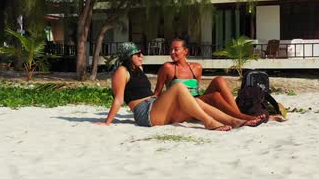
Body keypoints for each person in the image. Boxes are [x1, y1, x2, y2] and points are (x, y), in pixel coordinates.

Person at [95, 42, 254, 131]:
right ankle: (208, 121)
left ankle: (234, 121)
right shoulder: (121, 72)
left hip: (155, 107)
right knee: (178, 88)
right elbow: (118, 99)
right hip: (145, 113)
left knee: (197, 101)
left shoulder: (138, 69)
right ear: (128, 57)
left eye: (141, 53)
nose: (141, 56)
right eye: (137, 54)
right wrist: (107, 122)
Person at [154, 38, 285, 123]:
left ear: (185, 51)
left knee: (219, 79)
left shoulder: (197, 68)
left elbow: (196, 90)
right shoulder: (167, 68)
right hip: (183, 106)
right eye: (170, 49)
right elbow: (157, 94)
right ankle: (246, 118)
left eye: (176, 49)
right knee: (215, 96)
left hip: (199, 102)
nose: (172, 52)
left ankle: (238, 114)